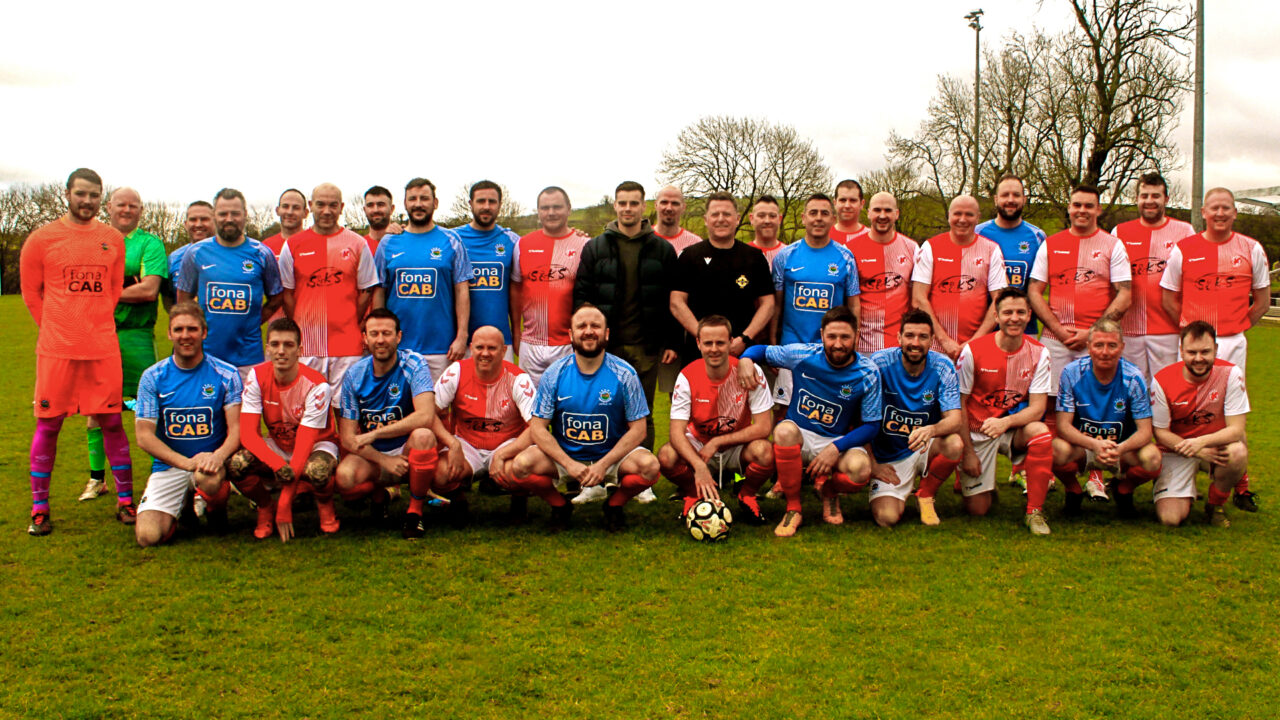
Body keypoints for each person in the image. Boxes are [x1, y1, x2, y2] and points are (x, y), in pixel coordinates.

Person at [20, 168, 133, 535]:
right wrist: (58, 328)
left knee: (112, 422)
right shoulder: (41, 239)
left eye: (94, 195)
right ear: (67, 194)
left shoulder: (112, 239)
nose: (87, 201)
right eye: (80, 194)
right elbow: (31, 293)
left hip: (102, 348)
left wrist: (91, 325)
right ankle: (40, 508)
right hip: (57, 351)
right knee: (49, 424)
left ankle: (126, 501)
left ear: (102, 198)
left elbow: (113, 289)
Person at [1160, 187, 1268, 511]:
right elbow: (1169, 297)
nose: (1220, 214)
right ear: (1203, 213)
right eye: (1214, 208)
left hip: (1232, 342)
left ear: (1235, 213)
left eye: (1226, 208)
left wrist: (1235, 327)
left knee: (1232, 412)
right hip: (1193, 344)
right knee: (1187, 408)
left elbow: (1261, 301)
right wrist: (1190, 335)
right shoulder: (1184, 248)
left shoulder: (1251, 248)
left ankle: (1241, 485)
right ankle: (1183, 476)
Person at [508, 305, 660, 532]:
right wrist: (569, 464)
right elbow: (538, 428)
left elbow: (639, 430)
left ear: (606, 334)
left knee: (650, 467)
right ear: (571, 335)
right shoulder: (554, 373)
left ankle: (614, 505)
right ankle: (560, 506)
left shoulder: (625, 373)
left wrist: (603, 465)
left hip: (610, 457)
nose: (589, 331)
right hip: (566, 457)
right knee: (520, 467)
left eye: (595, 326)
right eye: (582, 326)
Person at [738, 305, 882, 537]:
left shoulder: (868, 372)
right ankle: (793, 508)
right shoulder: (803, 355)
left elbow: (872, 425)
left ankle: (829, 492)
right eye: (832, 336)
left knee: (860, 470)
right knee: (783, 430)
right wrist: (745, 358)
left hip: (836, 440)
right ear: (822, 335)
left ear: (856, 336)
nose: (838, 343)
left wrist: (836, 448)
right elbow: (760, 351)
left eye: (845, 337)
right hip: (799, 436)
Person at [573, 180, 681, 456]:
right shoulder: (595, 248)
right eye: (623, 203)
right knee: (599, 410)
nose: (628, 209)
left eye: (634, 203)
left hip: (646, 347)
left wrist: (671, 341)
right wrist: (585, 338)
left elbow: (672, 300)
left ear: (643, 207)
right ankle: (599, 473)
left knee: (641, 413)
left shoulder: (662, 250)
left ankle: (641, 477)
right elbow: (582, 296)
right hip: (606, 347)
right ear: (615, 205)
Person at [79, 186, 168, 503]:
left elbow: (148, 290)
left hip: (136, 334)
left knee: (151, 407)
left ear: (141, 210)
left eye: (134, 205)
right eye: (121, 204)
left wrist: (100, 292)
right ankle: (97, 479)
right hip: (97, 334)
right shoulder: (91, 242)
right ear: (109, 207)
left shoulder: (149, 243)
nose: (127, 210)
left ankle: (161, 475)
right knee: (96, 408)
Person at [944, 289, 1056, 534]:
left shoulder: (1040, 353)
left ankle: (1034, 512)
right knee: (978, 510)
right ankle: (978, 478)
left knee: (1040, 433)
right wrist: (969, 453)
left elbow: (1038, 409)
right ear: (996, 316)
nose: (1014, 318)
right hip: (976, 432)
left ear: (1029, 316)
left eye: (1020, 312)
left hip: (1009, 428)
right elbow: (959, 404)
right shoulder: (973, 351)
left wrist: (1006, 423)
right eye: (1007, 312)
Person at [133, 303, 243, 546]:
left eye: (192, 329)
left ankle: (217, 512)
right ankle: (181, 510)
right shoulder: (153, 377)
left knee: (211, 481)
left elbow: (237, 430)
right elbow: (144, 436)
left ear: (204, 332)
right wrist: (186, 463)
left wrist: (218, 456)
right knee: (147, 537)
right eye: (179, 329)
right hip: (170, 466)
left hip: (210, 466)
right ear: (169, 333)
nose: (185, 335)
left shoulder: (226, 374)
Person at [228, 317, 341, 542]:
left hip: (316, 444)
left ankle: (325, 503)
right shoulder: (256, 376)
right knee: (237, 464)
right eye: (275, 344)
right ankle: (264, 506)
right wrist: (278, 464)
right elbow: (249, 434)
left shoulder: (317, 386)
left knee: (318, 470)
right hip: (279, 444)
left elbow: (304, 445)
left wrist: (285, 503)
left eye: (288, 345)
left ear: (299, 350)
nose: (281, 351)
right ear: (267, 348)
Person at [658, 315, 775, 524]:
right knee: (666, 456)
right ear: (698, 344)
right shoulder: (687, 376)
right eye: (708, 343)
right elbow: (676, 433)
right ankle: (694, 493)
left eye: (720, 343)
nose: (714, 349)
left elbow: (765, 427)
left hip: (735, 446)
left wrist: (718, 441)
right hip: (700, 446)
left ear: (731, 342)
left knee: (765, 452)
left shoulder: (750, 371)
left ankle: (746, 494)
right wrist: (698, 466)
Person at [335, 309, 440, 539]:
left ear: (398, 337)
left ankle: (415, 512)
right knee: (344, 477)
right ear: (365, 338)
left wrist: (376, 434)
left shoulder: (414, 363)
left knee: (424, 435)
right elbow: (348, 438)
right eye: (374, 334)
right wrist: (384, 460)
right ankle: (379, 495)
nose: (380, 339)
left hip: (407, 448)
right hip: (374, 455)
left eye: (386, 333)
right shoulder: (354, 374)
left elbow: (425, 415)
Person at [1027, 185, 1132, 402]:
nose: (1082, 210)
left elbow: (1125, 293)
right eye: (1077, 205)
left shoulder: (1113, 245)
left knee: (1092, 400)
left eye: (1088, 206)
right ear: (1069, 208)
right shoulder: (1051, 244)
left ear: (1098, 210)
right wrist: (1058, 331)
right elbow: (1034, 291)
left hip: (1095, 339)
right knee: (1049, 399)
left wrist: (1094, 333)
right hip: (1055, 338)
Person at [278, 183, 378, 399]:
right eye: (321, 205)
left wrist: (350, 321)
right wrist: (302, 322)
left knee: (346, 410)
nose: (326, 211)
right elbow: (287, 293)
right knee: (308, 410)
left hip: (347, 345)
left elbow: (366, 292)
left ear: (341, 207)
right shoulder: (293, 245)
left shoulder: (357, 243)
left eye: (333, 205)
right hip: (307, 345)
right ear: (311, 206)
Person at [1145, 322, 1250, 527]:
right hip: (1175, 449)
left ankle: (1215, 505)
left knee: (1237, 451)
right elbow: (1160, 433)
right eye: (1192, 352)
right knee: (1170, 519)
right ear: (1181, 351)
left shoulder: (1231, 374)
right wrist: (1196, 450)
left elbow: (1237, 429)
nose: (1199, 358)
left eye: (1205, 351)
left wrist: (1201, 443)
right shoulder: (1162, 380)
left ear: (1216, 350)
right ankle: (1181, 486)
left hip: (1211, 447)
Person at [1051, 318, 1161, 515]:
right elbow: (1063, 426)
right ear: (1088, 346)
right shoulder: (1071, 373)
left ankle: (1124, 488)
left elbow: (1146, 431)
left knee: (1152, 458)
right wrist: (1094, 445)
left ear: (1122, 347)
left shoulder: (1134, 377)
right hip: (1084, 447)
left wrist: (1120, 449)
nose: (1105, 352)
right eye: (1099, 345)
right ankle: (1073, 489)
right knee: (1053, 450)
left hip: (1120, 449)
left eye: (1112, 345)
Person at [431, 326, 537, 527]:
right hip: (466, 444)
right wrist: (451, 444)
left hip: (507, 444)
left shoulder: (519, 378)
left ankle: (519, 500)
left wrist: (504, 454)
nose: (485, 353)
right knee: (439, 473)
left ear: (503, 351)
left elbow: (536, 427)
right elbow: (429, 413)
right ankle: (459, 501)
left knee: (522, 467)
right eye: (480, 347)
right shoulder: (456, 371)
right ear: (471, 348)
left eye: (492, 348)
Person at [867, 310, 964, 527]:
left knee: (954, 443)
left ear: (931, 340)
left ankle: (925, 494)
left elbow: (955, 419)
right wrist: (873, 464)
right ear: (899, 337)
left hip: (921, 447)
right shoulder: (879, 364)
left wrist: (931, 430)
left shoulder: (943, 366)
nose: (915, 343)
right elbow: (861, 419)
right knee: (886, 518)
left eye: (923, 337)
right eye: (910, 336)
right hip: (888, 457)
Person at [373, 177, 473, 383]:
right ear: (405, 203)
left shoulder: (452, 240)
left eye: (424, 198)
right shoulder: (389, 241)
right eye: (413, 199)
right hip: (398, 347)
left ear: (435, 203)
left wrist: (462, 336)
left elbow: (462, 291)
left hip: (441, 348)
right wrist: (378, 336)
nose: (418, 204)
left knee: (440, 411)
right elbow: (379, 291)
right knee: (400, 410)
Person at [177, 188, 283, 377]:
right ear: (214, 216)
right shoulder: (196, 253)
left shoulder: (261, 253)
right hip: (206, 355)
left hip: (248, 358)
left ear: (245, 215)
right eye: (223, 213)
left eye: (235, 213)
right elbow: (183, 301)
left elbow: (276, 298)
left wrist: (252, 321)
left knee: (246, 407)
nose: (229, 219)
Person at [770, 193, 860, 410]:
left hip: (831, 349)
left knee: (831, 409)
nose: (818, 218)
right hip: (792, 347)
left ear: (832, 218)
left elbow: (854, 304)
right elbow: (776, 305)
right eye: (813, 213)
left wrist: (853, 341)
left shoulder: (845, 257)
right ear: (803, 218)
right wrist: (774, 341)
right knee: (784, 410)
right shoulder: (785, 256)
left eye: (824, 213)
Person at [669, 192, 774, 363]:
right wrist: (705, 339)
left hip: (742, 354)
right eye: (715, 214)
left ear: (737, 218)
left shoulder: (754, 257)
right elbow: (676, 303)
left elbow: (768, 304)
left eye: (726, 214)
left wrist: (745, 338)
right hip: (698, 354)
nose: (721, 219)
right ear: (706, 219)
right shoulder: (690, 256)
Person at [1111, 173, 1194, 378]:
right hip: (1129, 331)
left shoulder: (1185, 231)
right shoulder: (1119, 232)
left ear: (1166, 199)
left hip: (1169, 331)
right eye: (1144, 195)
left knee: (1166, 392)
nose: (1149, 201)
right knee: (1133, 395)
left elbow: (1192, 280)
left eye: (1155, 196)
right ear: (1137, 199)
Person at [510, 186, 591, 385]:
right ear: (538, 211)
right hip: (531, 343)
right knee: (530, 408)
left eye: (557, 207)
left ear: (569, 209)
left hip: (569, 343)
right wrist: (516, 332)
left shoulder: (585, 244)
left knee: (568, 403)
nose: (551, 212)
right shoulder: (523, 244)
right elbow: (516, 290)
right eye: (545, 208)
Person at [911, 194, 1007, 360]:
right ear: (948, 216)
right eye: (957, 214)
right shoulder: (930, 247)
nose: (962, 219)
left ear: (978, 218)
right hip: (935, 346)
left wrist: (975, 341)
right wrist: (944, 340)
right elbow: (918, 298)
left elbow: (1000, 301)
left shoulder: (992, 249)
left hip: (976, 347)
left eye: (969, 214)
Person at [453, 180, 519, 357]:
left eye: (492, 202)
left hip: (501, 341)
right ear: (470, 204)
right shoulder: (452, 239)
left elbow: (518, 289)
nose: (486, 206)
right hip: (461, 343)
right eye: (481, 201)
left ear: (500, 205)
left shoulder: (512, 240)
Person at [847, 191, 918, 354]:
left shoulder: (912, 248)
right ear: (869, 212)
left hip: (900, 347)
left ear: (897, 214)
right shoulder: (850, 250)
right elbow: (849, 302)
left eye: (888, 210)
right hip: (863, 346)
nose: (882, 215)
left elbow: (917, 298)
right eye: (877, 210)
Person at [976, 175, 1047, 335]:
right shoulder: (977, 233)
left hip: (1024, 329)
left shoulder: (1038, 237)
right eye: (1005, 195)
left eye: (1016, 195)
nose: (1010, 200)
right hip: (983, 329)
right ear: (995, 199)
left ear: (1024, 199)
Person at [162, 200, 216, 311]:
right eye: (193, 219)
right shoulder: (173, 258)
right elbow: (168, 297)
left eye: (204, 219)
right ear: (186, 224)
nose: (198, 224)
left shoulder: (230, 254)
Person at [653, 185, 702, 256]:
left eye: (675, 203)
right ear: (656, 205)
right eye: (664, 202)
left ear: (683, 207)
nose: (669, 208)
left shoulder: (695, 243)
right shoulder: (642, 239)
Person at [261, 188, 308, 258]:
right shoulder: (265, 247)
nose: (290, 212)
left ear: (305, 213)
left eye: (296, 208)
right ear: (277, 210)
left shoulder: (316, 244)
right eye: (285, 206)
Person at [747, 195, 785, 273]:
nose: (767, 221)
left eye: (772, 216)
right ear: (752, 219)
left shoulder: (790, 255)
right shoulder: (741, 255)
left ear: (780, 219)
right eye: (761, 216)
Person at [362, 185, 401, 256]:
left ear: (392, 209)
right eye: (370, 205)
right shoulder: (359, 246)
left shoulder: (403, 242)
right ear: (365, 210)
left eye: (381, 205)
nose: (375, 210)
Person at [829, 179, 868, 247]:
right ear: (835, 203)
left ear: (862, 204)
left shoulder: (874, 238)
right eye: (843, 200)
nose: (847, 205)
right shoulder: (822, 237)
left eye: (853, 200)